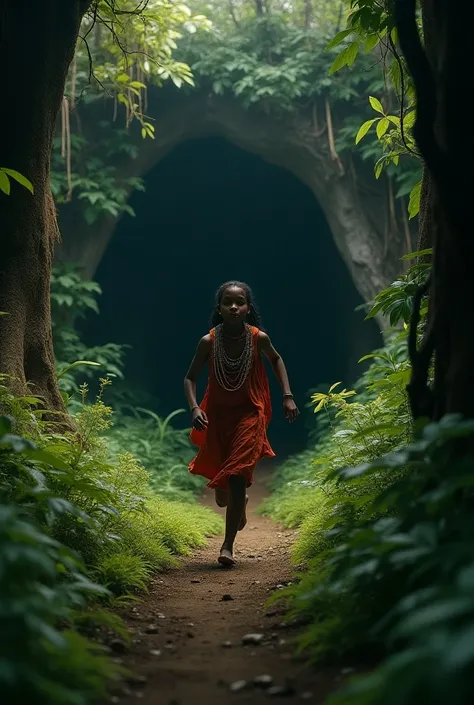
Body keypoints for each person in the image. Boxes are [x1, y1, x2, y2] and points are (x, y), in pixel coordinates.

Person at [184, 281, 299, 567]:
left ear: (248, 308)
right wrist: (195, 407)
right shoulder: (208, 342)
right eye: (227, 302)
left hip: (251, 413)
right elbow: (190, 377)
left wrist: (287, 395)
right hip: (218, 417)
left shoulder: (258, 338)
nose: (234, 306)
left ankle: (227, 547)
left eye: (240, 302)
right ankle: (239, 502)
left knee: (236, 477)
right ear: (219, 308)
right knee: (222, 496)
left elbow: (276, 359)